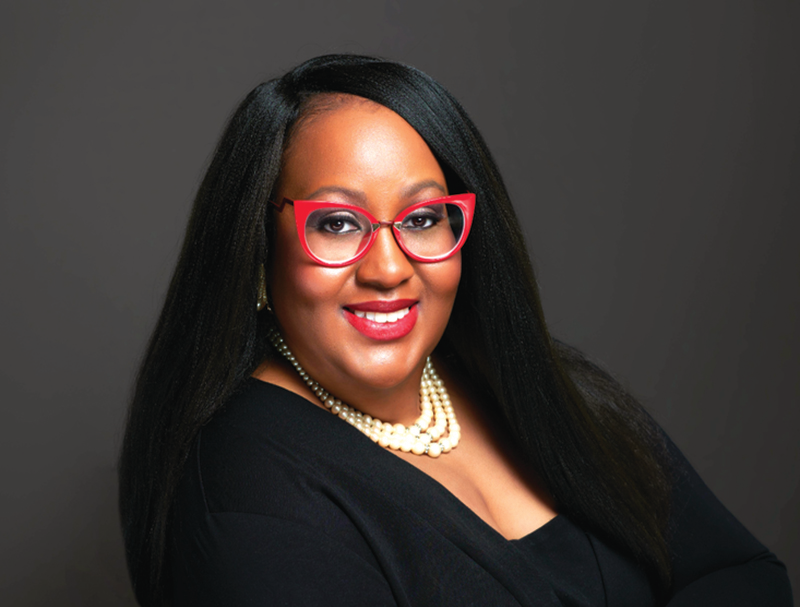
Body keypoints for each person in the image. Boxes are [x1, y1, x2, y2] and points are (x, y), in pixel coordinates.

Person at [118, 55, 792, 606]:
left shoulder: (541, 384)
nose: (388, 268)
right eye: (336, 223)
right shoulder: (248, 500)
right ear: (261, 252)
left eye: (422, 218)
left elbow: (742, 575)